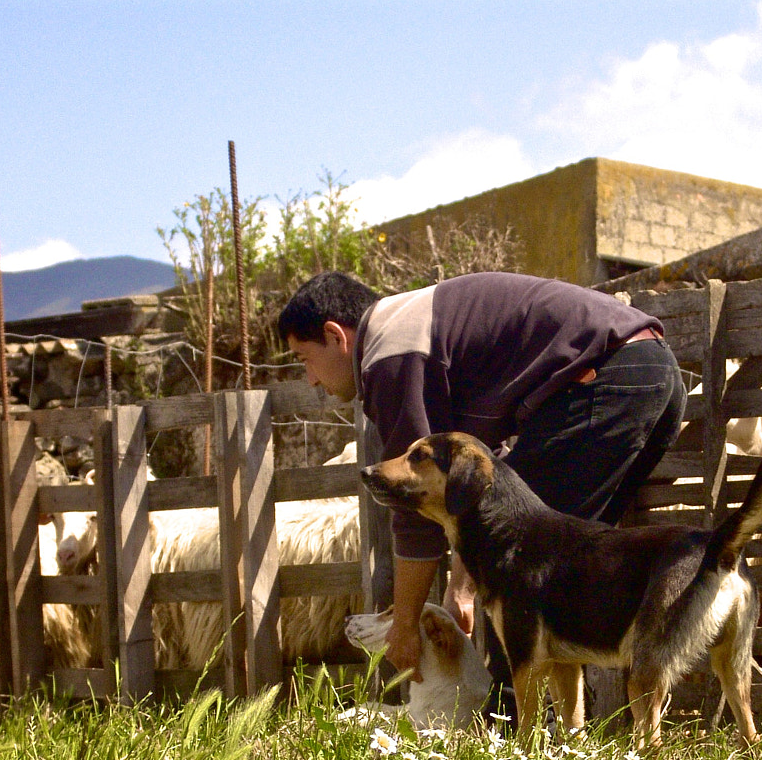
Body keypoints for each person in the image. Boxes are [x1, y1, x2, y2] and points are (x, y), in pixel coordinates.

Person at [278, 269, 686, 714]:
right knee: (567, 567)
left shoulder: (388, 351)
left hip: (605, 376)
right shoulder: (424, 329)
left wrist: (406, 625)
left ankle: (518, 729)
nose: (310, 380)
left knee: (520, 569)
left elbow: (415, 499)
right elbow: (473, 484)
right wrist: (463, 584)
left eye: (304, 359)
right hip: (654, 367)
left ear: (336, 335)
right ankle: (572, 736)